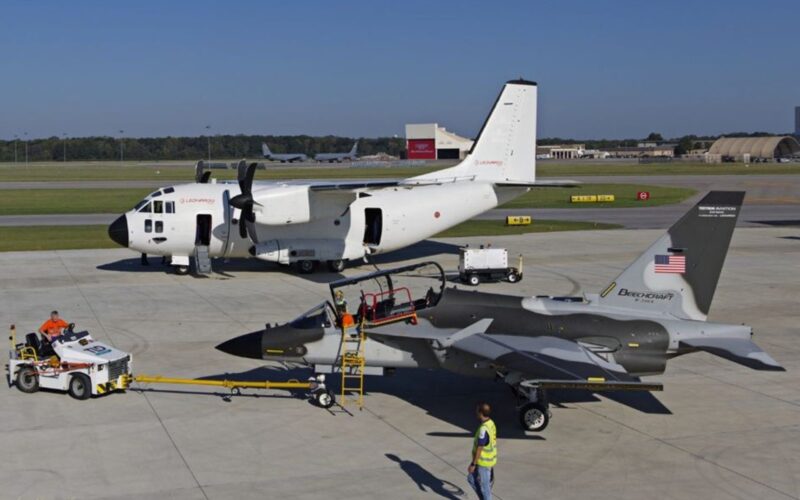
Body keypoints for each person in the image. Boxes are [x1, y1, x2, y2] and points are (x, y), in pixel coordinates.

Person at [468, 402, 497, 500]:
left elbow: (480, 448)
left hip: (483, 463)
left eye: (477, 410)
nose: (476, 412)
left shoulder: (483, 430)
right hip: (489, 461)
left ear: (480, 413)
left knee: (485, 490)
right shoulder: (491, 423)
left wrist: (473, 464)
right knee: (471, 479)